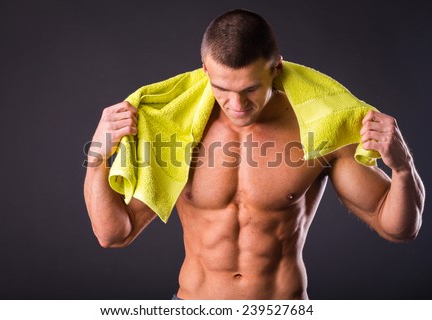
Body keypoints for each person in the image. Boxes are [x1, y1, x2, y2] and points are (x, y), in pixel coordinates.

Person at [84, 9, 425, 299]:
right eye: (223, 90)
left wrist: (404, 168)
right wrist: (99, 155)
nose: (237, 105)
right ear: (205, 70)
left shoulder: (321, 127)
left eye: (250, 89)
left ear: (276, 68)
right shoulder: (173, 128)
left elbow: (397, 227)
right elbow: (114, 233)